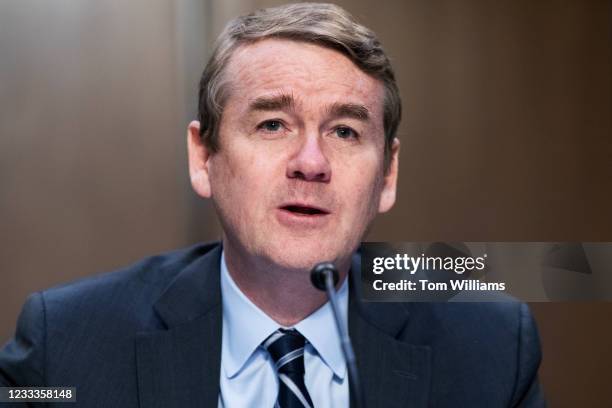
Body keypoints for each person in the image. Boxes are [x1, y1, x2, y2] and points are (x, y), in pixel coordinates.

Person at [0, 3, 544, 407]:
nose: (311, 162)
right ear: (203, 157)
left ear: (387, 175)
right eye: (272, 124)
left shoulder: (490, 350)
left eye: (346, 132)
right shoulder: (67, 344)